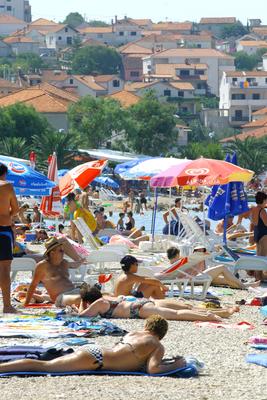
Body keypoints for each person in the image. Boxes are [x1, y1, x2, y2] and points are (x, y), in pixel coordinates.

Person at [0, 315, 196, 374]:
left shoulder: (135, 333)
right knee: (42, 367)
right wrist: (178, 364)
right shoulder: (157, 345)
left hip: (96, 351)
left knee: (45, 363)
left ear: (147, 325)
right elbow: (154, 369)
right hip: (98, 360)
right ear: (161, 335)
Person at [78, 285, 239, 321]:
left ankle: (210, 316)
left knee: (177, 314)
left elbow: (82, 316)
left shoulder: (98, 303)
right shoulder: (105, 296)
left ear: (87, 301)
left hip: (138, 309)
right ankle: (223, 312)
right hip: (142, 302)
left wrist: (80, 304)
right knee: (184, 306)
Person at [24, 238, 84, 307]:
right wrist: (26, 304)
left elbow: (75, 265)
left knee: (94, 295)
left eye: (63, 250)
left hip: (75, 291)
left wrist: (81, 261)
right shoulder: (43, 266)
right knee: (81, 299)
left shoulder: (64, 262)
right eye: (60, 251)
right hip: (61, 298)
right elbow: (33, 285)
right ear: (52, 253)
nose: (63, 252)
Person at [167, 246, 260, 290]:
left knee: (224, 280)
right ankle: (243, 285)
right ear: (177, 254)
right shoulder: (179, 262)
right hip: (195, 279)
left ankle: (246, 286)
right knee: (222, 268)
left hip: (194, 278)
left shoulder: (172, 265)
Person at [0, 163, 20, 313]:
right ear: (4, 173)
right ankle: (7, 306)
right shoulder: (7, 186)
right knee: (5, 268)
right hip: (3, 229)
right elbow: (16, 209)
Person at [251, 191, 267, 281]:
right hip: (264, 234)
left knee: (259, 255)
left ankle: (258, 276)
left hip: (257, 232)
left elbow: (253, 222)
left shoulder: (254, 209)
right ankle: (259, 277)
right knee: (263, 256)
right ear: (264, 200)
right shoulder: (262, 211)